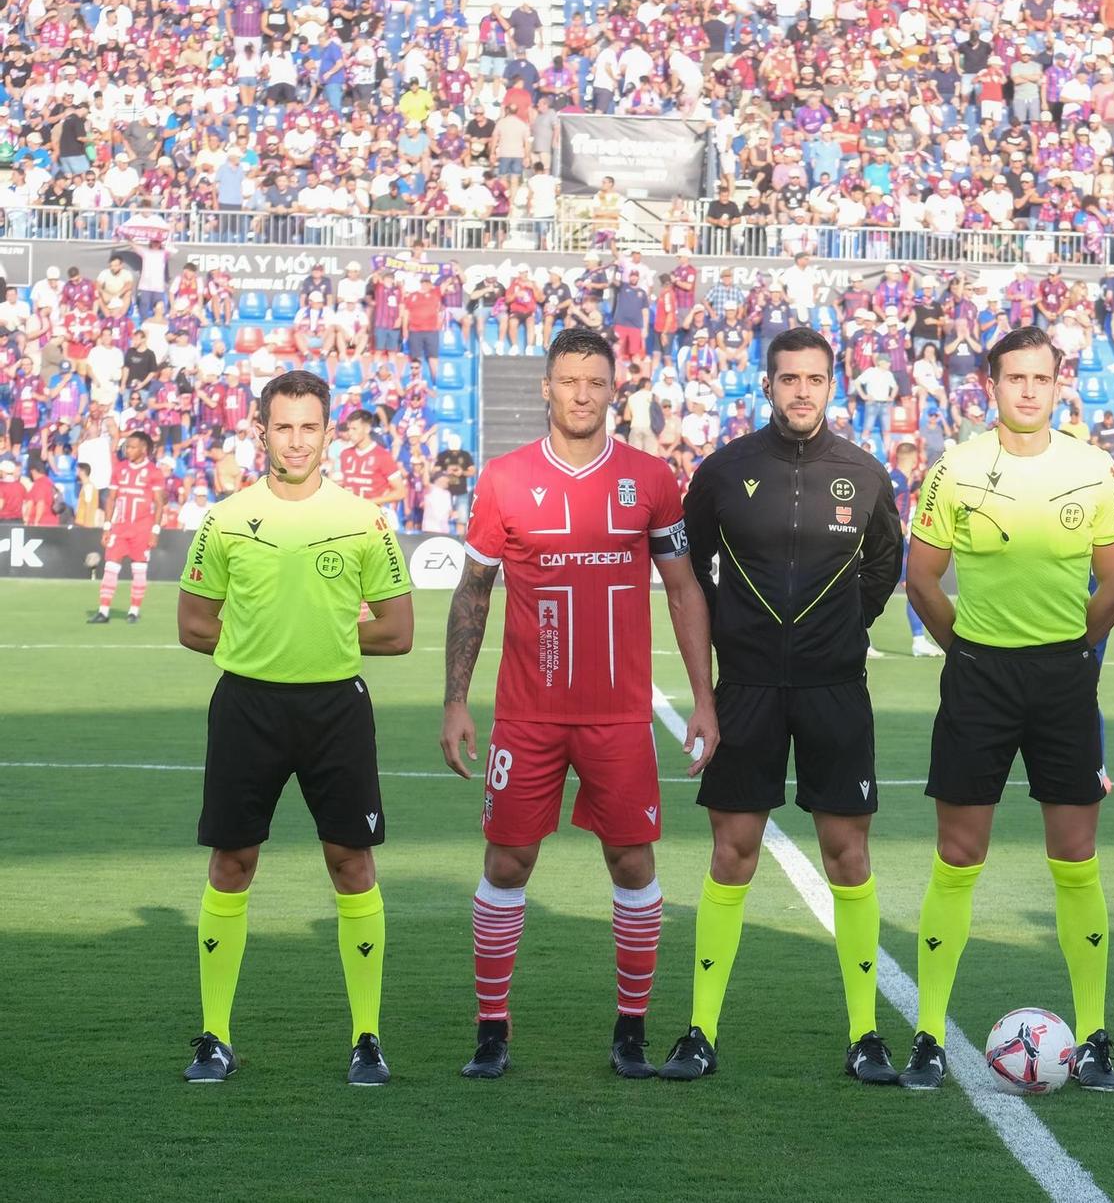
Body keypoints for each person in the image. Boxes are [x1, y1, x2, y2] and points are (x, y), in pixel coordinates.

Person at [439, 327, 720, 1081]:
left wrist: (703, 698)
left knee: (632, 862)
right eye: (569, 381)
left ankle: (630, 1030)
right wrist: (456, 701)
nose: (582, 394)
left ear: (613, 388)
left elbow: (684, 587)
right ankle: (491, 1029)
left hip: (620, 715)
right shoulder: (502, 479)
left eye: (596, 382)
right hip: (527, 716)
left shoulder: (651, 479)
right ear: (547, 387)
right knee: (508, 858)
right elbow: (473, 591)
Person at [662, 327, 904, 1085]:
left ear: (833, 386)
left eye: (816, 379)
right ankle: (700, 1028)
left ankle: (865, 1032)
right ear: (765, 384)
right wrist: (714, 678)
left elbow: (882, 567)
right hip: (748, 689)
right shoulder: (725, 471)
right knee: (731, 852)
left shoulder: (863, 475)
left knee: (848, 856)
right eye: (789, 378)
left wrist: (836, 633)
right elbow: (689, 574)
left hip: (836, 691)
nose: (803, 390)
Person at [899, 326, 1114, 1091]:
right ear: (990, 387)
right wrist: (965, 648)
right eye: (1014, 378)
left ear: (1060, 382)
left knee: (1075, 856)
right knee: (959, 854)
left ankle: (1096, 1034)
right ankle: (930, 1034)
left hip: (1064, 679)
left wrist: (1073, 649)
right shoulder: (958, 467)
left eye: (1041, 377)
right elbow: (923, 578)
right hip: (979, 679)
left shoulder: (1095, 468)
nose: (1028, 390)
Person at [176, 370, 415, 1085]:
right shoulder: (224, 518)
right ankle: (214, 1035)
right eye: (283, 426)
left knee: (352, 863)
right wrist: (260, 641)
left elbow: (398, 630)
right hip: (247, 705)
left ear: (327, 432)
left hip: (336, 708)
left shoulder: (365, 518)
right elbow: (192, 621)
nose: (297, 439)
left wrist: (328, 637)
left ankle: (366, 1037)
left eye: (310, 426)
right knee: (232, 863)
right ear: (261, 432)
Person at [89, 431, 168, 623]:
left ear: (143, 449)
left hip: (142, 528)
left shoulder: (153, 472)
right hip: (120, 527)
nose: (128, 450)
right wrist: (107, 527)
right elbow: (111, 499)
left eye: (132, 447)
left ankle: (133, 611)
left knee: (139, 569)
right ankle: (103, 611)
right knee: (110, 567)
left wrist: (155, 531)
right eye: (127, 446)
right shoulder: (120, 468)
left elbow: (159, 503)